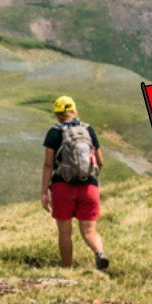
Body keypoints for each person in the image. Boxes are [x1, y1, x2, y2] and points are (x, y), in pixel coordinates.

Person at [40, 95, 109, 270]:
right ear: (74, 111)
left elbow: (48, 164)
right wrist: (91, 179)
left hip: (62, 187)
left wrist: (44, 192)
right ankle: (100, 252)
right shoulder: (88, 130)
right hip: (88, 187)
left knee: (65, 232)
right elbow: (100, 162)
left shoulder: (54, 132)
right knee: (89, 231)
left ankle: (67, 269)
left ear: (57, 114)